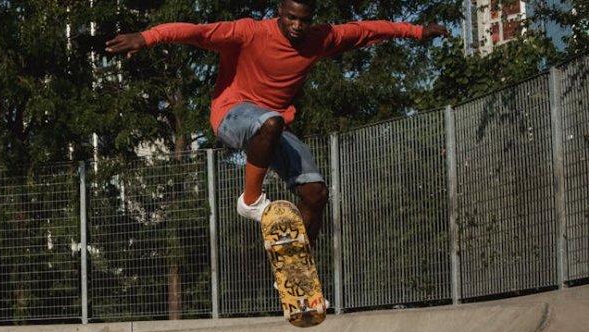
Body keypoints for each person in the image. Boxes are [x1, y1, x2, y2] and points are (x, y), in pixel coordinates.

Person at [106, 0, 448, 246]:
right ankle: (251, 200)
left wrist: (416, 30)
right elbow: (197, 32)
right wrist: (148, 37)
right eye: (290, 19)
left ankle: (300, 269)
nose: (297, 27)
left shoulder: (320, 38)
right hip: (231, 115)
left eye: (304, 20)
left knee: (316, 193)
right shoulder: (248, 31)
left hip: (272, 127)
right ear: (279, 13)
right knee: (269, 122)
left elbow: (366, 30)